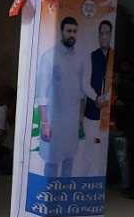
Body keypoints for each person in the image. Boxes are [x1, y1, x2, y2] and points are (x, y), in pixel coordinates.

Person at [36, 16, 85, 177]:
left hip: (71, 123)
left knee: (69, 161)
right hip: (53, 121)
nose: (72, 34)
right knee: (52, 161)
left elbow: (81, 92)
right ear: (61, 32)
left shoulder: (79, 59)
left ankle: (64, 192)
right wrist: (45, 123)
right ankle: (49, 192)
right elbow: (42, 93)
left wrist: (80, 120)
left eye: (75, 31)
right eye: (69, 31)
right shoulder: (49, 56)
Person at [77, 20, 114, 176]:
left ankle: (97, 183)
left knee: (103, 151)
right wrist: (96, 98)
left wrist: (107, 99)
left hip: (108, 114)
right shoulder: (91, 57)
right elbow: (85, 83)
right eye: (102, 33)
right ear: (98, 36)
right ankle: (84, 183)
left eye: (107, 33)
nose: (104, 36)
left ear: (111, 35)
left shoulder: (114, 57)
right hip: (92, 113)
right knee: (89, 150)